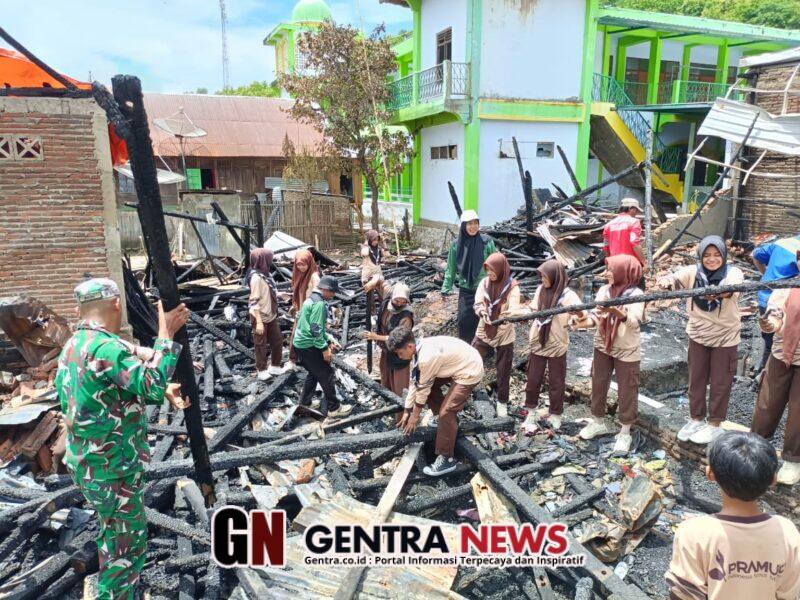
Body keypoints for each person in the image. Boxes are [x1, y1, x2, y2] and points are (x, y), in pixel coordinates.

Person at [55, 278, 190, 600]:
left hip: (90, 463)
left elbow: (122, 356)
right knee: (125, 549)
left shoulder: (76, 343)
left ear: (80, 309)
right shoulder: (106, 348)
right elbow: (152, 386)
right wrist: (165, 333)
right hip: (112, 467)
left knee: (115, 534)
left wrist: (150, 357)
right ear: (117, 303)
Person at [665, 431, 800, 600]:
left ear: (710, 474)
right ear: (773, 479)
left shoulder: (693, 533)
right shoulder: (787, 532)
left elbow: (683, 595)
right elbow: (787, 594)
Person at [657, 236, 744, 445]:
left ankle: (714, 424)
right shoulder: (693, 272)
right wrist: (667, 282)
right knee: (696, 379)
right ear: (700, 256)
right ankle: (696, 418)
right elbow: (675, 278)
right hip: (698, 334)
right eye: (707, 255)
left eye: (716, 255)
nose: (711, 259)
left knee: (720, 382)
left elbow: (732, 288)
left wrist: (718, 292)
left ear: (724, 255)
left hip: (725, 336)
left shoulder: (733, 273)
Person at [390, 328, 484, 476]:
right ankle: (444, 422)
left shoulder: (426, 358)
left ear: (409, 346)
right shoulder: (417, 350)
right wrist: (407, 410)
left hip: (470, 370)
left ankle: (447, 459)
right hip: (459, 363)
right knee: (433, 393)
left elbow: (423, 389)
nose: (399, 357)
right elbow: (415, 382)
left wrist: (415, 417)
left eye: (400, 353)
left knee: (447, 412)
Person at [577, 255, 645, 453]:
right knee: (598, 382)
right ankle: (598, 421)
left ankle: (625, 431)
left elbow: (634, 322)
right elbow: (596, 316)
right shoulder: (604, 290)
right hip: (603, 344)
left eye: (611, 270)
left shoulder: (636, 293)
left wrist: (616, 311)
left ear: (623, 271)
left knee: (627, 388)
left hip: (626, 348)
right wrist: (579, 322)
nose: (606, 273)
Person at [524, 259, 586, 431]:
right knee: (533, 379)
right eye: (541, 276)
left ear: (554, 276)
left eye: (545, 276)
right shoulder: (540, 290)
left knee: (556, 382)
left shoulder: (568, 295)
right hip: (538, 342)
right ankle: (531, 411)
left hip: (557, 343)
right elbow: (533, 309)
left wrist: (576, 315)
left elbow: (583, 314)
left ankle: (556, 414)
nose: (542, 279)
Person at [754, 256, 800, 485]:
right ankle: (757, 448)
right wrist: (769, 324)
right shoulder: (787, 288)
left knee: (799, 413)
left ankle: (793, 460)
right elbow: (776, 315)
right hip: (781, 355)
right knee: (767, 404)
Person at [293, 275, 351, 419]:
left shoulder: (310, 299)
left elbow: (314, 327)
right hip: (309, 345)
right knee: (326, 373)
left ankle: (305, 403)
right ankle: (334, 408)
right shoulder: (319, 304)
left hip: (300, 344)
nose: (333, 295)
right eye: (332, 292)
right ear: (326, 289)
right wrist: (324, 349)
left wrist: (328, 339)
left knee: (314, 373)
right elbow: (315, 329)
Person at [472, 252, 522, 417]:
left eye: (492, 270)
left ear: (501, 269)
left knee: (503, 370)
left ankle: (502, 402)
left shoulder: (512, 287)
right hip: (485, 328)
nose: (490, 273)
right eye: (487, 269)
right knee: (471, 358)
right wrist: (482, 311)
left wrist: (506, 316)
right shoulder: (485, 282)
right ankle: (464, 391)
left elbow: (514, 309)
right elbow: (478, 302)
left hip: (504, 332)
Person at [442, 210, 498, 342]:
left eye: (475, 223)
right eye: (469, 224)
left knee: (484, 320)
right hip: (466, 290)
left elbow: (496, 265)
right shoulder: (456, 245)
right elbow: (451, 268)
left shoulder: (486, 242)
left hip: (485, 290)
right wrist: (446, 288)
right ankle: (466, 348)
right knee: (464, 321)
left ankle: (485, 349)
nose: (473, 227)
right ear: (463, 226)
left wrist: (498, 285)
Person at [752, 235, 800, 372]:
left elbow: (755, 255)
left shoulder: (782, 243)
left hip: (765, 296)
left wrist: (766, 277)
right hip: (787, 302)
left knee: (769, 337)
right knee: (783, 338)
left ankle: (763, 370)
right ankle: (772, 371)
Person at [365, 281, 415, 399]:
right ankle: (387, 399)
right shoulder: (387, 299)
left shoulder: (406, 317)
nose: (399, 304)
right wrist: (371, 282)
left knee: (399, 383)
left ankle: (400, 406)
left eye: (403, 302)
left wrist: (376, 337)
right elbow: (380, 280)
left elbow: (400, 338)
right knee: (385, 375)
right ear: (392, 297)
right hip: (387, 349)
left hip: (400, 353)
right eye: (397, 301)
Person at [247, 248, 284, 381]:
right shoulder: (256, 278)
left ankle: (275, 366)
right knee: (260, 344)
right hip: (260, 315)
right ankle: (261, 369)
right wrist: (259, 322)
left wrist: (280, 295)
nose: (271, 261)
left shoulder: (266, 275)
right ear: (262, 260)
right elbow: (254, 301)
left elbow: (268, 292)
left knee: (277, 340)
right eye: (269, 258)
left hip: (270, 314)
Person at [285, 248, 321, 373]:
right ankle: (293, 361)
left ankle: (312, 363)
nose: (301, 267)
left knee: (309, 336)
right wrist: (295, 305)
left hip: (309, 312)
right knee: (296, 335)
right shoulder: (299, 274)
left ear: (309, 262)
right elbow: (298, 293)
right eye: (298, 264)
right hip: (301, 310)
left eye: (303, 264)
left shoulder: (314, 276)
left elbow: (317, 296)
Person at [602, 198, 645, 267]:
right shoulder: (634, 222)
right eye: (636, 210)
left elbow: (606, 246)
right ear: (631, 209)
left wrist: (609, 263)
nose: (636, 213)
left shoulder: (608, 225)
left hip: (614, 263)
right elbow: (634, 242)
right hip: (631, 263)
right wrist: (644, 262)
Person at [361, 229, 387, 293]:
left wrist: (384, 242)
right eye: (374, 240)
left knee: (380, 288)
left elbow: (387, 254)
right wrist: (366, 242)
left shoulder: (378, 248)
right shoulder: (365, 248)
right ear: (370, 239)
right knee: (368, 289)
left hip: (377, 270)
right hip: (368, 271)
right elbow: (364, 253)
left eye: (377, 240)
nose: (376, 242)